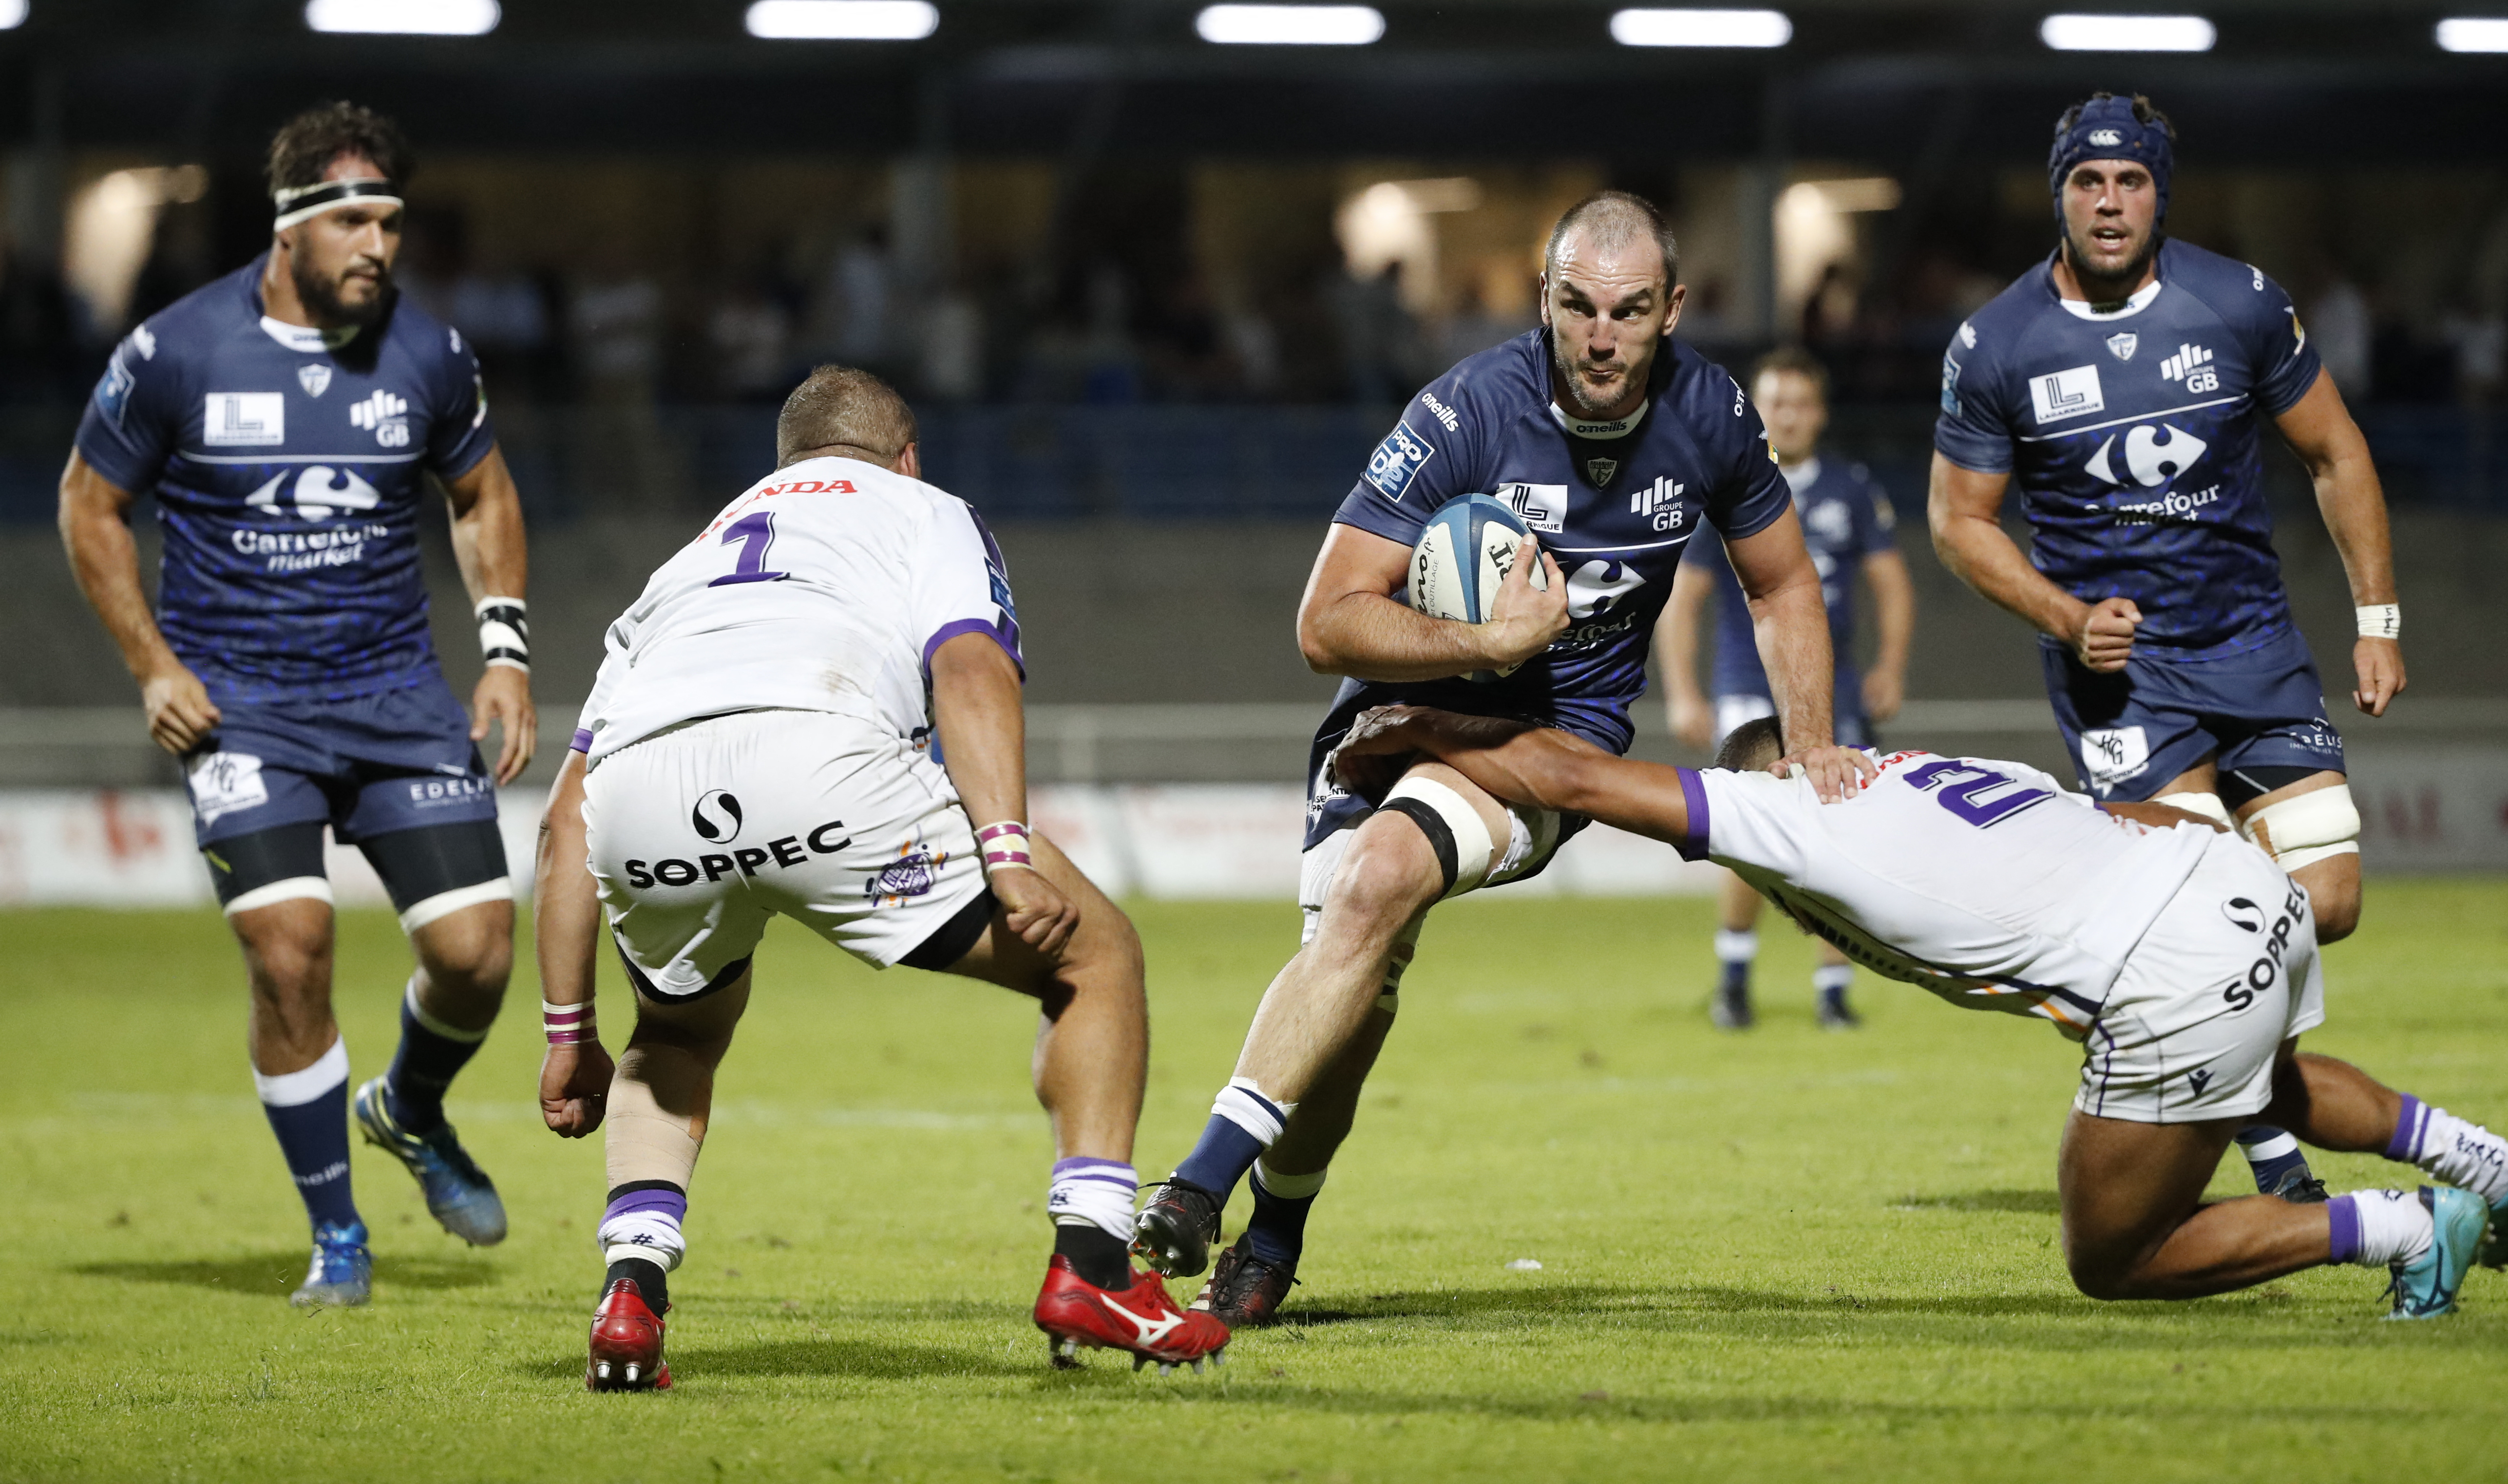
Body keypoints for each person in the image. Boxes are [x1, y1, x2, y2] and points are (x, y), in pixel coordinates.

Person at [1129, 192, 1865, 1327]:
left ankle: (1198, 1184)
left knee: (1376, 888)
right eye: (1578, 307)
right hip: (1394, 726)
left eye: (1628, 311)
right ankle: (1275, 1236)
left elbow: (1779, 582)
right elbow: (1326, 621)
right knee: (1356, 986)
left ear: (1672, 309)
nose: (1601, 337)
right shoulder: (1466, 411)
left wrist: (1811, 747)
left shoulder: (1713, 415)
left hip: (1543, 746)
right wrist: (1487, 639)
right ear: (1545, 299)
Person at [1330, 706, 2508, 1318]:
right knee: (2270, 1081)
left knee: (2114, 1255)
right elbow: (2120, 823)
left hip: (2166, 958)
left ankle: (2407, 1230)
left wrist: (1416, 740)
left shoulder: (1787, 810)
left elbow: (1573, 777)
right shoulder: (1939, 768)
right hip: (2236, 889)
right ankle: (2500, 1165)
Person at [531, 367, 1228, 1390]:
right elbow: (969, 667)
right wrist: (1002, 852)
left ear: (788, 465)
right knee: (1094, 954)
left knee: (674, 1035)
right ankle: (1093, 1269)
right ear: (905, 457)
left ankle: (631, 1300)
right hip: (820, 758)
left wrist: (565, 1038)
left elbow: (562, 824)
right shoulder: (923, 509)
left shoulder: (688, 562)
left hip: (643, 798)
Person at [58, 102, 535, 1307]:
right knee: (291, 955)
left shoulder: (428, 355)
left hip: (393, 696)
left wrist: (506, 650)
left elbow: (481, 497)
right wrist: (155, 668)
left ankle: (408, 1108)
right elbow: (88, 505)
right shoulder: (176, 354)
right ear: (290, 228)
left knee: (477, 958)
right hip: (245, 711)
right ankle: (338, 1236)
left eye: (392, 222)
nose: (381, 244)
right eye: (356, 221)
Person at [1927, 94, 2406, 1207]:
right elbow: (1958, 522)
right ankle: (2275, 1155)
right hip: (2123, 684)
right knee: (2188, 924)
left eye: (2129, 181)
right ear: (2059, 194)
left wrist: (2377, 619)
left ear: (2159, 193)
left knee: (2327, 900)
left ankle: (2217, 1081)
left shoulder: (2237, 304)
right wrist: (2062, 617)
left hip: (2253, 645)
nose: (2108, 203)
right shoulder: (1995, 343)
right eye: (2087, 183)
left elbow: (2336, 453)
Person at [1659, 346, 1914, 1031]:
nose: (1788, 416)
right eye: (1775, 403)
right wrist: (1684, 690)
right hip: (1748, 682)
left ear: (1820, 414)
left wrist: (1890, 665)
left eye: (1800, 403)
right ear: (1757, 412)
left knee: (1841, 832)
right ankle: (1735, 976)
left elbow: (1891, 582)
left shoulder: (1850, 487)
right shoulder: (1731, 487)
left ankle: (1833, 988)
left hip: (1837, 688)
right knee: (1752, 833)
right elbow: (1684, 599)